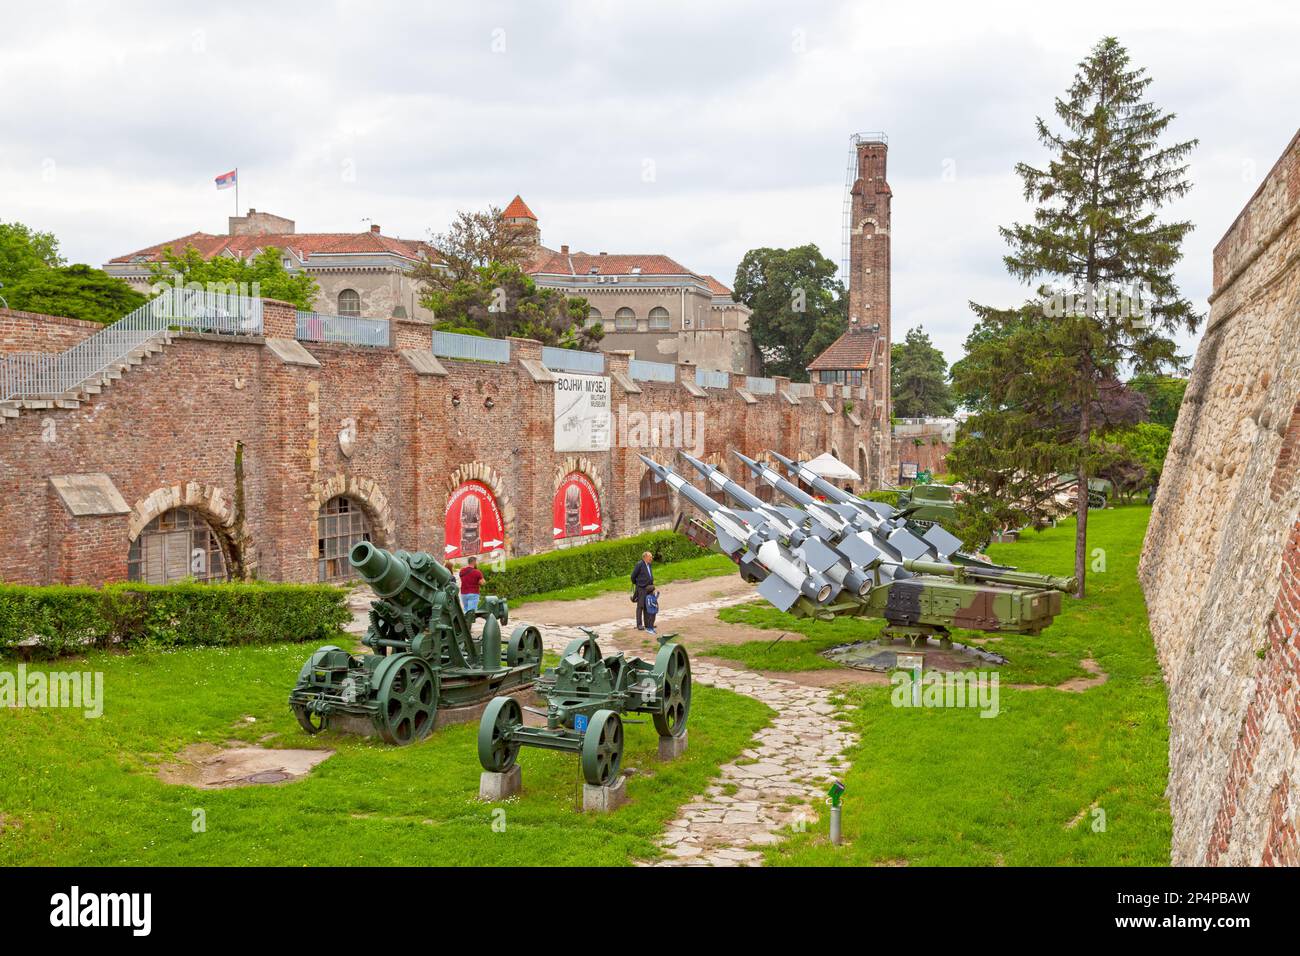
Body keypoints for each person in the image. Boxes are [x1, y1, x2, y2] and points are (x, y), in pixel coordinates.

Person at [631, 550, 655, 630]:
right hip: (642, 588)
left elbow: (650, 575)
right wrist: (638, 583)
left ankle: (648, 624)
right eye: (650, 557)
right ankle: (639, 625)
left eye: (651, 557)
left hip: (649, 587)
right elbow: (633, 576)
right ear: (645, 557)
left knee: (647, 606)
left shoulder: (649, 564)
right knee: (640, 606)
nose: (651, 558)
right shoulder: (639, 564)